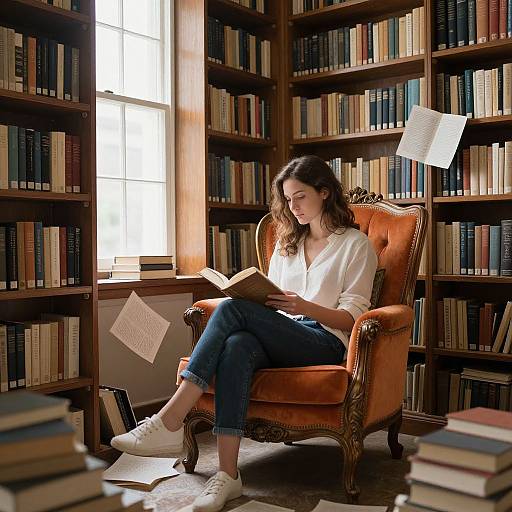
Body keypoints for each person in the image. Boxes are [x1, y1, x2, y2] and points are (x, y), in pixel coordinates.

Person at [110, 155, 378, 512]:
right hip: (284, 333)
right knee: (237, 345)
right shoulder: (287, 245)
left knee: (231, 310)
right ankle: (228, 475)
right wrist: (265, 303)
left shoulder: (355, 245)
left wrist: (304, 307)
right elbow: (273, 302)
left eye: (300, 196)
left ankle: (171, 418)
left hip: (325, 341)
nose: (292, 206)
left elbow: (354, 318)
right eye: (287, 199)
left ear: (324, 192)